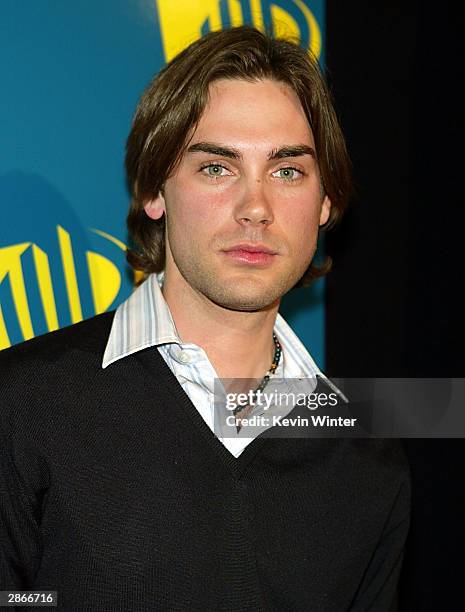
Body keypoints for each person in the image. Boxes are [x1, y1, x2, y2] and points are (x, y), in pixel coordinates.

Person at [0, 26, 410, 611]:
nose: (255, 208)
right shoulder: (23, 404)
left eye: (287, 171)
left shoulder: (366, 454)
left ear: (325, 203)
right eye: (217, 167)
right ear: (155, 191)